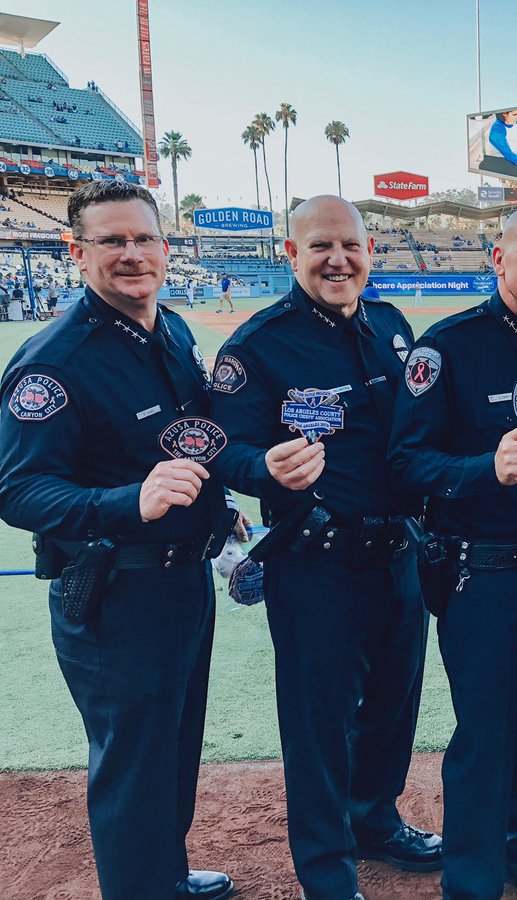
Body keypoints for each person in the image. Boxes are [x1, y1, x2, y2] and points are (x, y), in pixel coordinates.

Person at [0, 181, 237, 899]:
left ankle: (160, 874)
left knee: (172, 750)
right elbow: (18, 490)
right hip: (115, 594)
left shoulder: (172, 330)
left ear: (166, 249)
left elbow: (191, 442)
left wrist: (223, 512)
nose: (132, 254)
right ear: (76, 252)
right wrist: (124, 501)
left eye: (143, 239)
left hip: (181, 583)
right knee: (134, 763)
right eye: (112, 241)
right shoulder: (54, 362)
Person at [209, 196, 439, 900]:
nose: (337, 260)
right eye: (320, 247)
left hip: (399, 553)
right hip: (317, 563)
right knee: (318, 726)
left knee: (393, 707)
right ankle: (326, 872)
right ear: (291, 254)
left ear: (369, 251)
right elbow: (225, 448)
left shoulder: (394, 327)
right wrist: (264, 467)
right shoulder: (256, 346)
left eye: (350, 246)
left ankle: (375, 820)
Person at [389, 205, 517, 900]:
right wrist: (482, 469)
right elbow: (405, 463)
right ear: (496, 259)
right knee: (485, 734)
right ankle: (471, 878)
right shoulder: (446, 347)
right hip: (482, 576)